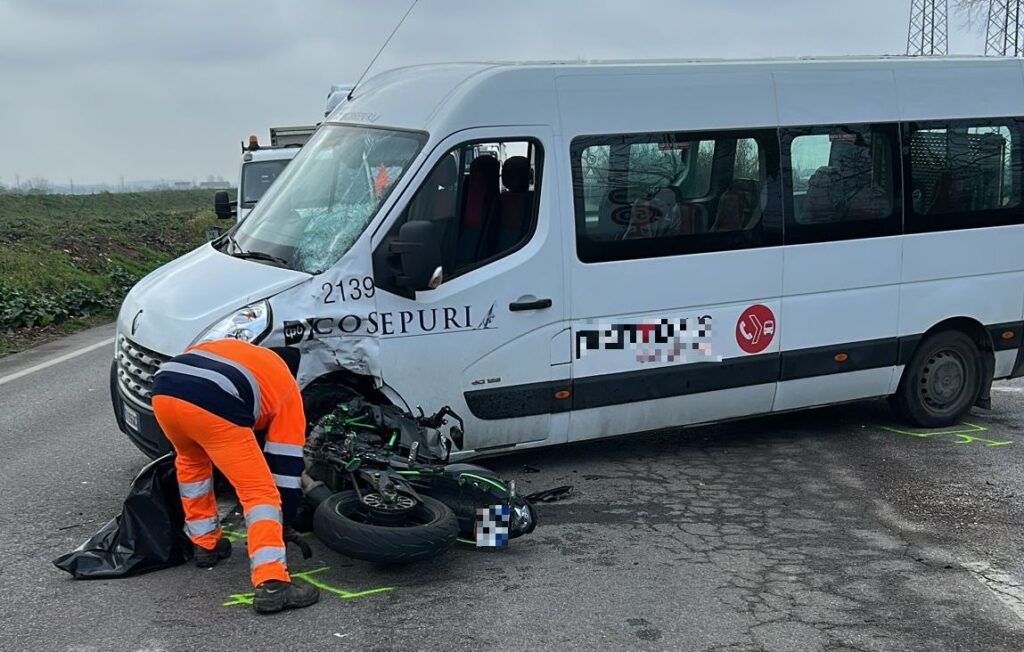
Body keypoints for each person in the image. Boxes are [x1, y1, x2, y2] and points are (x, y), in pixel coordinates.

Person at [150, 338, 319, 614]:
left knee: (192, 464)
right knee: (259, 492)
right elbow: (285, 468)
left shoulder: (236, 349)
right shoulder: (287, 387)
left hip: (165, 389)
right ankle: (273, 583)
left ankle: (205, 544)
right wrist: (286, 519)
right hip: (213, 400)